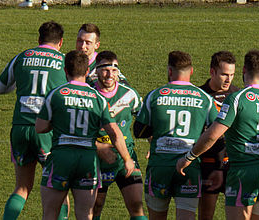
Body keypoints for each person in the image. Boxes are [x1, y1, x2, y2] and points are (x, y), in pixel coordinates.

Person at [177, 49, 259, 220]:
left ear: (244, 70)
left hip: (242, 171)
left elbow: (212, 135)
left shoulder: (238, 99)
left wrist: (189, 157)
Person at [35, 50, 135, 220]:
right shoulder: (98, 98)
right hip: (87, 160)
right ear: (88, 71)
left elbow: (40, 127)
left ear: (65, 70)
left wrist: (58, 122)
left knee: (50, 213)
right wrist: (126, 158)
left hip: (62, 157)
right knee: (85, 215)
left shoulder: (57, 94)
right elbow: (115, 132)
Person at [0, 21, 69, 220]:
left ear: (39, 40)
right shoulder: (63, 61)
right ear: (60, 42)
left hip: (20, 128)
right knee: (58, 188)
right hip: (48, 131)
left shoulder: (22, 56)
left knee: (22, 187)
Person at [133, 51, 218, 220]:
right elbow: (216, 132)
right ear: (191, 71)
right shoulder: (205, 99)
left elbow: (139, 131)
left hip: (160, 166)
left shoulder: (155, 95)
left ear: (169, 71)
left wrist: (158, 128)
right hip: (189, 166)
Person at [89, 51, 147, 220]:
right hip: (96, 160)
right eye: (105, 70)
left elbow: (146, 123)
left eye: (114, 70)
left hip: (125, 157)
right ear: (96, 71)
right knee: (95, 208)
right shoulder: (88, 96)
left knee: (136, 205)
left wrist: (153, 143)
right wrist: (99, 148)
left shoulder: (129, 95)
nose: (110, 75)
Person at [198, 51, 239, 220]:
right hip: (208, 163)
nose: (228, 80)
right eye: (224, 74)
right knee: (206, 216)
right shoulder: (199, 96)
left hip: (234, 164)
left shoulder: (238, 96)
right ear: (212, 72)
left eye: (232, 75)